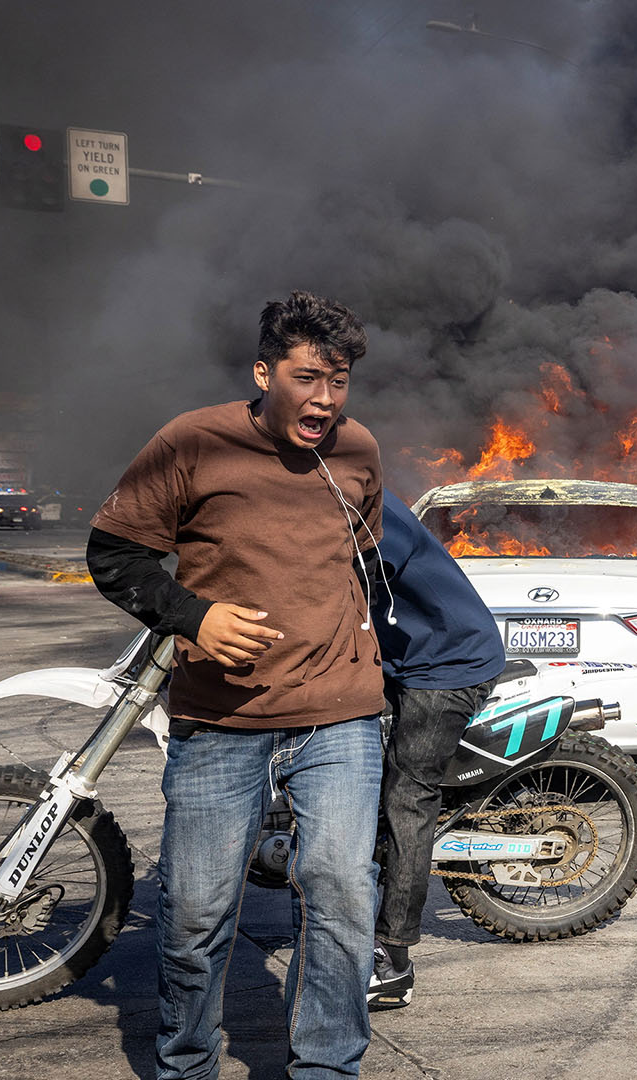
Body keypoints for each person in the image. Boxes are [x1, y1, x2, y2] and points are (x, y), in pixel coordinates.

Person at [85, 291, 384, 1078]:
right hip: (220, 718)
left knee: (344, 896)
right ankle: (187, 1065)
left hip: (339, 713)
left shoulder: (357, 453)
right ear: (264, 371)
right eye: (309, 377)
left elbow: (361, 565)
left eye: (340, 380)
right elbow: (113, 554)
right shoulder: (193, 442)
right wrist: (194, 618)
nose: (325, 398)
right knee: (194, 912)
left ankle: (328, 1067)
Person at [366, 490, 506, 1011]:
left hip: (444, 662)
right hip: (402, 656)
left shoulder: (362, 503)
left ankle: (393, 959)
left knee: (409, 792)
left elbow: (357, 571)